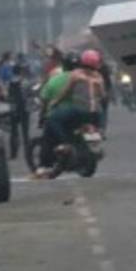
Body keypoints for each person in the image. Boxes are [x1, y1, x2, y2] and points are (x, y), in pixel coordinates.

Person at [36, 50, 106, 179]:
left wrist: (55, 102)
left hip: (76, 111)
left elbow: (65, 92)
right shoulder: (99, 77)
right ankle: (100, 131)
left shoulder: (72, 76)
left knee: (52, 120)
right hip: (94, 113)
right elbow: (102, 96)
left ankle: (65, 143)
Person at [6, 59, 30, 161]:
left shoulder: (11, 81)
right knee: (25, 133)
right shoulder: (25, 81)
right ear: (20, 71)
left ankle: (13, 154)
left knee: (14, 132)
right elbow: (28, 95)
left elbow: (9, 96)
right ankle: (28, 152)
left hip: (14, 108)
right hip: (24, 108)